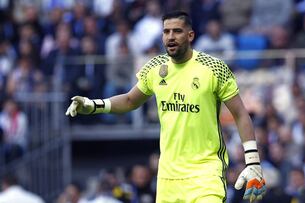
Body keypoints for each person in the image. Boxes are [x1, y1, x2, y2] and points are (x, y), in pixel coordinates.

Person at [66, 11, 266, 202]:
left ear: (190, 35)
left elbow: (240, 114)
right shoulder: (155, 67)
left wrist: (253, 161)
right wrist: (93, 105)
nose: (170, 36)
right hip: (168, 177)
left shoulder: (213, 68)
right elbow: (129, 100)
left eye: (177, 31)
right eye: (166, 31)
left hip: (206, 173)